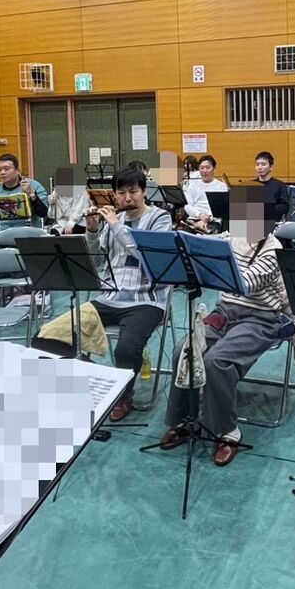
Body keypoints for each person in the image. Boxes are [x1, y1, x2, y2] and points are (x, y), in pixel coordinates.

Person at [159, 186, 288, 466]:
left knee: (217, 361)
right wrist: (191, 242)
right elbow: (203, 247)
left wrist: (214, 259)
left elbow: (245, 283)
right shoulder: (231, 236)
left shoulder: (273, 248)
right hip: (224, 312)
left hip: (260, 318)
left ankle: (228, 430)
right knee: (184, 349)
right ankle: (185, 420)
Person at [85, 165, 173, 421]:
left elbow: (146, 255)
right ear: (114, 194)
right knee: (53, 336)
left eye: (133, 191)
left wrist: (114, 224)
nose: (127, 198)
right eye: (121, 193)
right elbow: (97, 262)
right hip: (109, 297)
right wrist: (92, 231)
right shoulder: (114, 221)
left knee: (125, 349)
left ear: (144, 192)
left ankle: (123, 396)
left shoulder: (160, 219)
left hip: (147, 300)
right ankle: (100, 385)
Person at [0, 154, 48, 252]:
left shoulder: (33, 186)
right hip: (0, 236)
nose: (2, 172)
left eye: (6, 169)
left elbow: (43, 213)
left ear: (17, 170)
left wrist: (32, 194)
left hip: (27, 235)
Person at [184, 154, 228, 226]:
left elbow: (222, 209)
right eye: (202, 168)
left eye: (208, 168)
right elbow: (187, 206)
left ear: (214, 169)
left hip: (213, 220)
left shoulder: (221, 186)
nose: (204, 171)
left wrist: (206, 219)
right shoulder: (192, 185)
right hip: (194, 218)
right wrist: (199, 215)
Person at [47, 165, 91, 234]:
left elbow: (78, 212)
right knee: (52, 233)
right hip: (62, 223)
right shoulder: (56, 192)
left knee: (68, 232)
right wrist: (52, 205)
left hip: (79, 222)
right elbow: (53, 216)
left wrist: (70, 224)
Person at [254, 151, 291, 222]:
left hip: (272, 223)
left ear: (271, 167)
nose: (260, 167)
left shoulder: (280, 185)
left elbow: (285, 207)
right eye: (257, 164)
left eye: (263, 164)